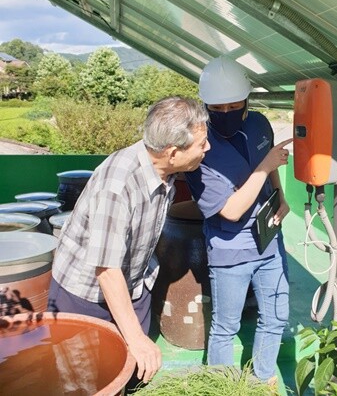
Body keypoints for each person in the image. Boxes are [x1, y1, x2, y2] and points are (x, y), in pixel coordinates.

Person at [47, 97, 210, 386]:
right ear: (172, 153)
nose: (207, 148)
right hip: (85, 294)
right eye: (201, 144)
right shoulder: (118, 185)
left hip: (134, 282)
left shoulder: (162, 167)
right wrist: (135, 338)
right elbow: (106, 270)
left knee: (132, 372)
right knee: (86, 381)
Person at [184, 56, 292, 384]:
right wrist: (265, 166)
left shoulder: (259, 123)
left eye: (234, 106)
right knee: (225, 328)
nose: (226, 114)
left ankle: (262, 380)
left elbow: (269, 163)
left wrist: (282, 197)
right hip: (231, 250)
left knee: (276, 317)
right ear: (206, 107)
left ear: (247, 102)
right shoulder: (200, 148)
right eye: (218, 109)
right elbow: (230, 210)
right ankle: (223, 387)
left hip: (269, 237)